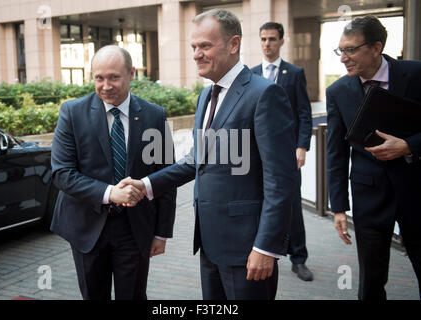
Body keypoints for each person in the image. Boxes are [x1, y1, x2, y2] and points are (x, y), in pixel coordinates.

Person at [119, 8, 297, 300]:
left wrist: (266, 247)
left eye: (205, 46)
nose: (196, 54)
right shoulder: (205, 96)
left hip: (247, 249)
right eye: (193, 47)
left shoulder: (265, 95)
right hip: (210, 244)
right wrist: (146, 185)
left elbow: (281, 180)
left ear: (233, 44)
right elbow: (196, 160)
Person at [50, 45, 176, 300]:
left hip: (135, 228)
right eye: (99, 78)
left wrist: (162, 233)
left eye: (114, 77)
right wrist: (110, 194)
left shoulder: (154, 116)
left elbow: (166, 178)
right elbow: (62, 173)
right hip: (87, 227)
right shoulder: (72, 113)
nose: (106, 85)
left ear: (131, 74)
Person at [326, 15, 421, 300]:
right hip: (369, 198)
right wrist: (339, 207)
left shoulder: (415, 75)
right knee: (370, 283)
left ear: (376, 47)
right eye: (340, 50)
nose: (343, 58)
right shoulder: (338, 91)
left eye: (351, 50)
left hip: (416, 192)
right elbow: (336, 153)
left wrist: (408, 146)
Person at [251, 22, 313, 282]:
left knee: (291, 206)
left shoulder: (294, 73)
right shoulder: (251, 74)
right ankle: (263, 250)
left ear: (282, 41)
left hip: (287, 154)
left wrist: (302, 146)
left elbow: (303, 112)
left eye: (272, 39)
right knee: (258, 202)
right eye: (263, 39)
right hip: (257, 154)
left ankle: (298, 259)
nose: (267, 44)